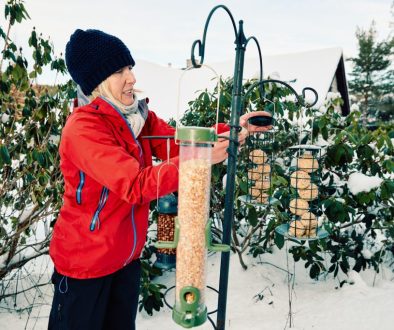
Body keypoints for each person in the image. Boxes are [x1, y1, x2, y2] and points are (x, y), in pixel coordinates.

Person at [48, 29, 257, 330]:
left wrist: (232, 129)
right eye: (120, 71)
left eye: (130, 67)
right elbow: (135, 185)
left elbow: (179, 143)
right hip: (85, 270)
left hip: (125, 263)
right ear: (98, 81)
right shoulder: (83, 129)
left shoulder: (138, 117)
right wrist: (197, 160)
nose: (131, 77)